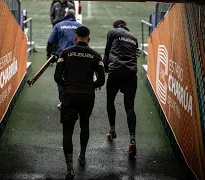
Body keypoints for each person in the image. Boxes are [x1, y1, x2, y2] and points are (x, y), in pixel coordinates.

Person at [54, 26, 105, 180]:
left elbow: (57, 77)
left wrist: (68, 87)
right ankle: (82, 155)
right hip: (87, 96)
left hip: (69, 96)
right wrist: (90, 87)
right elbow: (102, 80)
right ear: (88, 39)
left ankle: (69, 168)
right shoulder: (96, 56)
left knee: (67, 131)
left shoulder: (65, 53)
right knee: (85, 125)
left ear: (75, 38)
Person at [103, 20, 141, 157]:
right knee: (130, 107)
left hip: (116, 71)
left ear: (116, 26)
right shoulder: (133, 37)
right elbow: (135, 55)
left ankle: (112, 130)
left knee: (110, 101)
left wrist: (104, 70)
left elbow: (107, 51)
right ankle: (132, 140)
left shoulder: (113, 32)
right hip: (131, 73)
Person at [46, 9, 82, 109]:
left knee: (60, 79)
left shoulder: (58, 25)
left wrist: (48, 54)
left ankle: (63, 102)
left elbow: (50, 41)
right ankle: (75, 101)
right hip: (77, 56)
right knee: (75, 79)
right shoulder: (80, 26)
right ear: (74, 16)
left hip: (62, 57)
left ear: (65, 15)